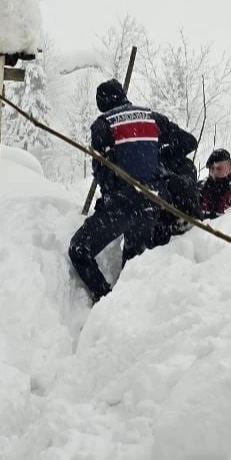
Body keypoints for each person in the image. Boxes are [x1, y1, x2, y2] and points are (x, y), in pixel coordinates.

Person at [68, 78, 196, 303]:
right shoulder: (151, 117)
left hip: (124, 204)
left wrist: (109, 201)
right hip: (154, 201)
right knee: (133, 267)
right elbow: (189, 142)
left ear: (102, 104)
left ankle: (105, 299)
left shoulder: (103, 125)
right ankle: (128, 311)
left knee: (79, 249)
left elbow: (103, 174)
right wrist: (156, 159)